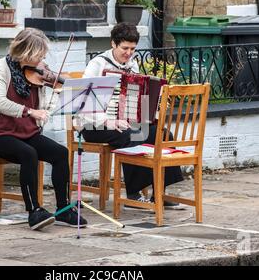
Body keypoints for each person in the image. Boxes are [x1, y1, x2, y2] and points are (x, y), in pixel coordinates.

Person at [0, 28, 88, 230]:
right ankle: (34, 211)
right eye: (38, 55)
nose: (42, 59)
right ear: (24, 52)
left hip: (28, 132)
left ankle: (63, 209)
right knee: (29, 154)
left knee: (61, 153)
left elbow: (52, 98)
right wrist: (30, 112)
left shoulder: (39, 72)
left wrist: (61, 95)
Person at [78, 22, 185, 209]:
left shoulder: (132, 65)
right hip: (94, 126)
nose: (128, 53)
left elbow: (135, 97)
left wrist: (155, 106)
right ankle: (132, 195)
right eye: (124, 48)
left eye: (132, 49)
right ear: (113, 44)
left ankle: (158, 193)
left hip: (124, 123)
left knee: (161, 133)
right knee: (134, 135)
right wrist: (109, 121)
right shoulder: (97, 64)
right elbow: (84, 102)